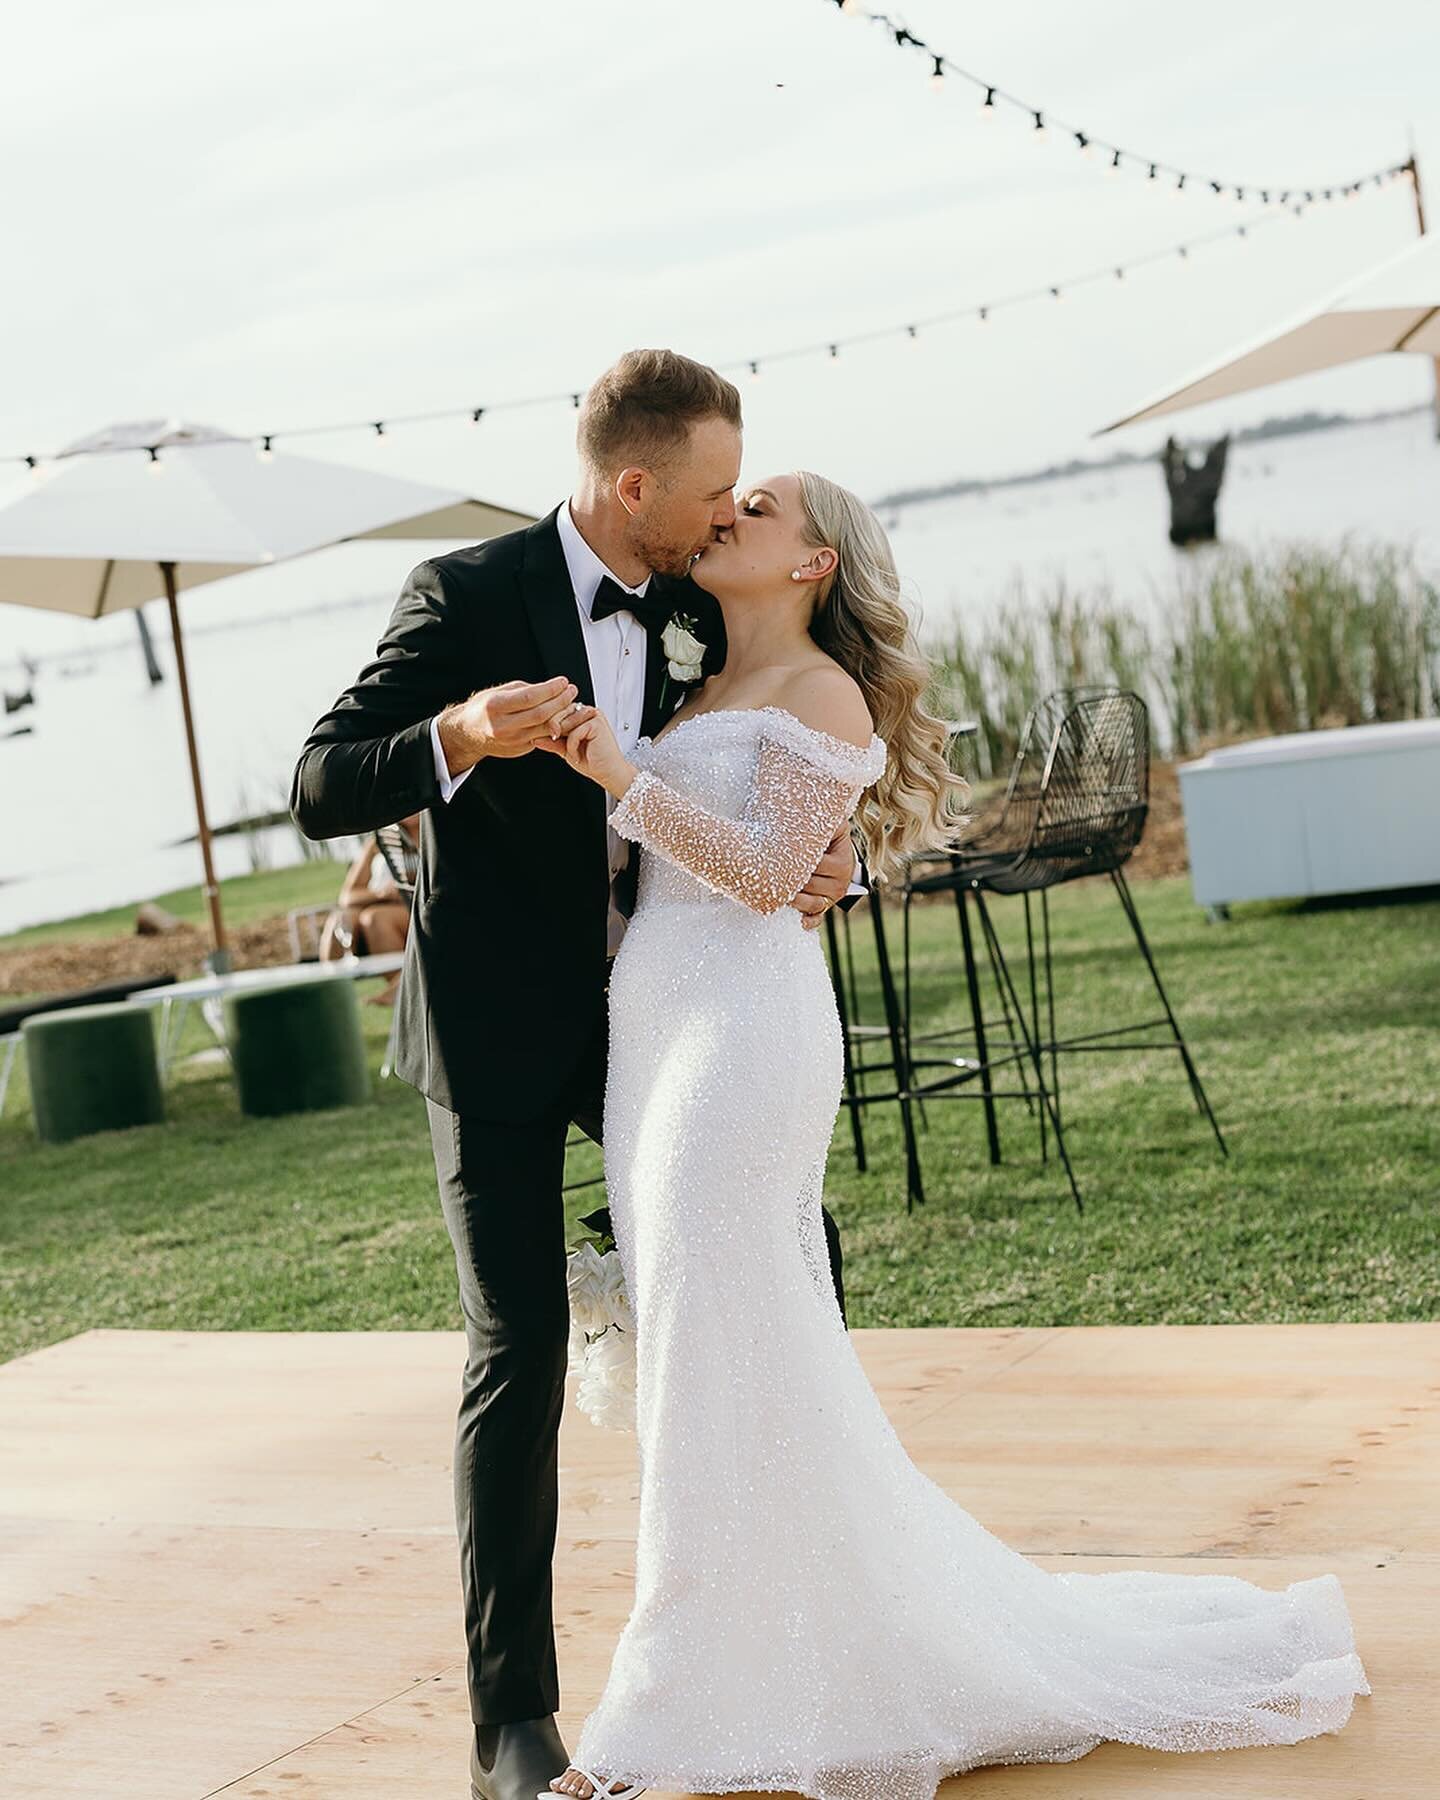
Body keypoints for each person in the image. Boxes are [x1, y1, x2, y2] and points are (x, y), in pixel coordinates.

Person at [534, 468, 1371, 1800]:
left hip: (741, 1050)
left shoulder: (823, 692)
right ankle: (758, 1662)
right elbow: (702, 868)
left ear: (813, 565)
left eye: (758, 508)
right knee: (721, 1356)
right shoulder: (691, 688)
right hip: (656, 1044)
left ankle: (654, 1715)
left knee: (710, 1345)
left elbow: (761, 879)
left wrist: (627, 779)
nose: (728, 514)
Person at [290, 349, 867, 1800]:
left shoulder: (695, 600)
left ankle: (812, 1616)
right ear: (634, 486)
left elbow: (769, 767)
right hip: (489, 1026)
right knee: (519, 1341)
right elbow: (317, 783)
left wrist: (826, 859)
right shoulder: (464, 597)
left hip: (655, 1017)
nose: (725, 510)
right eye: (712, 489)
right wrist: (457, 736)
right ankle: (513, 1725)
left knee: (795, 1256)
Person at [318, 813, 421, 1003]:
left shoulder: (432, 834)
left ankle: (407, 989)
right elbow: (348, 896)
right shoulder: (379, 841)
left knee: (375, 919)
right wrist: (382, 894)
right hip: (383, 902)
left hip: (415, 908)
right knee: (340, 919)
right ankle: (328, 991)